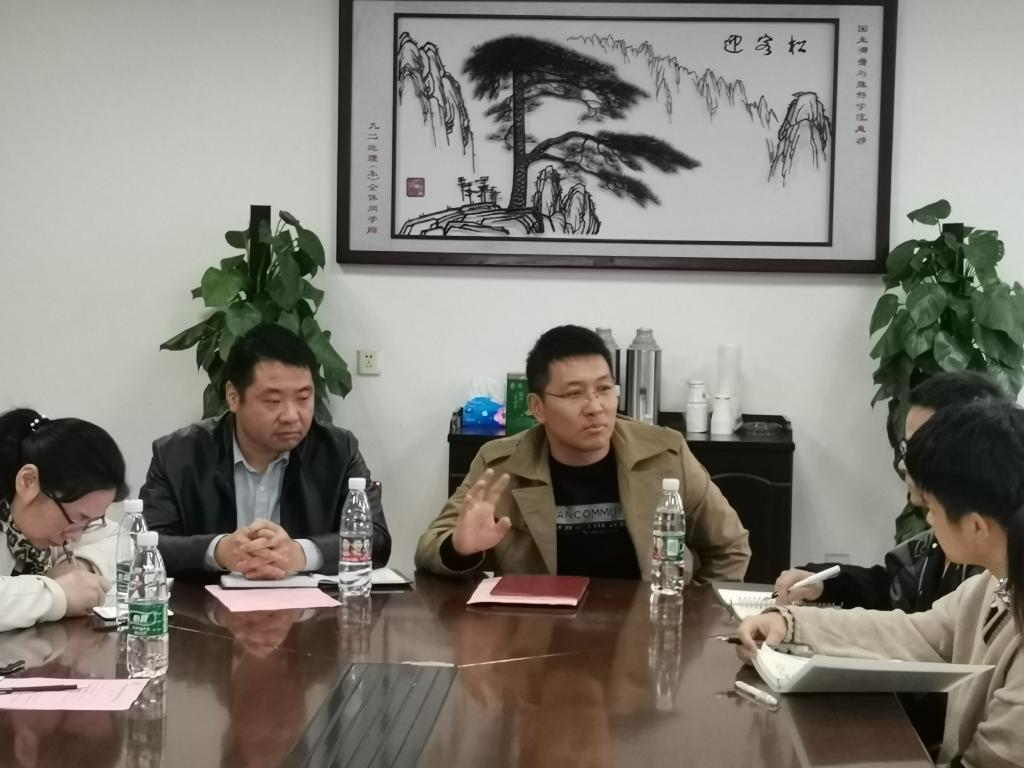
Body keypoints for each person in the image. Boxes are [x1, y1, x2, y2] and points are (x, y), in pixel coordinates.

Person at [739, 399, 1024, 767]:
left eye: (932, 510)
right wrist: (791, 623)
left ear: (976, 526)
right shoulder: (993, 583)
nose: (929, 522)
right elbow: (917, 633)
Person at [415, 325, 750, 582]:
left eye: (604, 389)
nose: (595, 407)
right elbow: (430, 547)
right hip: (535, 636)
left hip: (647, 635)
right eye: (575, 394)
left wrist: (691, 618)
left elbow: (729, 547)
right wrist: (459, 548)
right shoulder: (501, 463)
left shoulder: (666, 453)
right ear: (537, 407)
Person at [141, 323, 390, 579]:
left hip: (307, 603)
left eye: (303, 398)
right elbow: (145, 543)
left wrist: (301, 553)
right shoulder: (177, 455)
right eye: (273, 401)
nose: (291, 415)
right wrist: (217, 551)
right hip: (207, 603)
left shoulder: (338, 451)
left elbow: (377, 540)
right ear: (233, 397)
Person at [773, 372, 1005, 610]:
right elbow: (890, 588)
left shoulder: (995, 566)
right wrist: (823, 584)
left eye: (919, 449)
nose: (903, 464)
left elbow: (931, 628)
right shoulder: (936, 541)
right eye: (905, 448)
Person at [0, 409, 128, 632]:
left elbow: (127, 540)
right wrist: (57, 594)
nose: (76, 537)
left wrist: (79, 566)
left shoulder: (54, 522)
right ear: (28, 482)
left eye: (89, 522)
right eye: (78, 518)